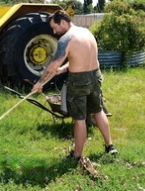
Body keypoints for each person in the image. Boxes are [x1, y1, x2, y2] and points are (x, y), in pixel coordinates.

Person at [31, 10, 117, 161]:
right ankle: (110, 146)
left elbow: (52, 65)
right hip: (95, 76)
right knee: (98, 111)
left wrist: (40, 83)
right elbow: (81, 57)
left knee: (79, 119)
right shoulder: (86, 33)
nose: (54, 31)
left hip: (78, 81)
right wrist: (63, 69)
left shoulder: (66, 39)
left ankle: (77, 155)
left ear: (63, 22)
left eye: (55, 27)